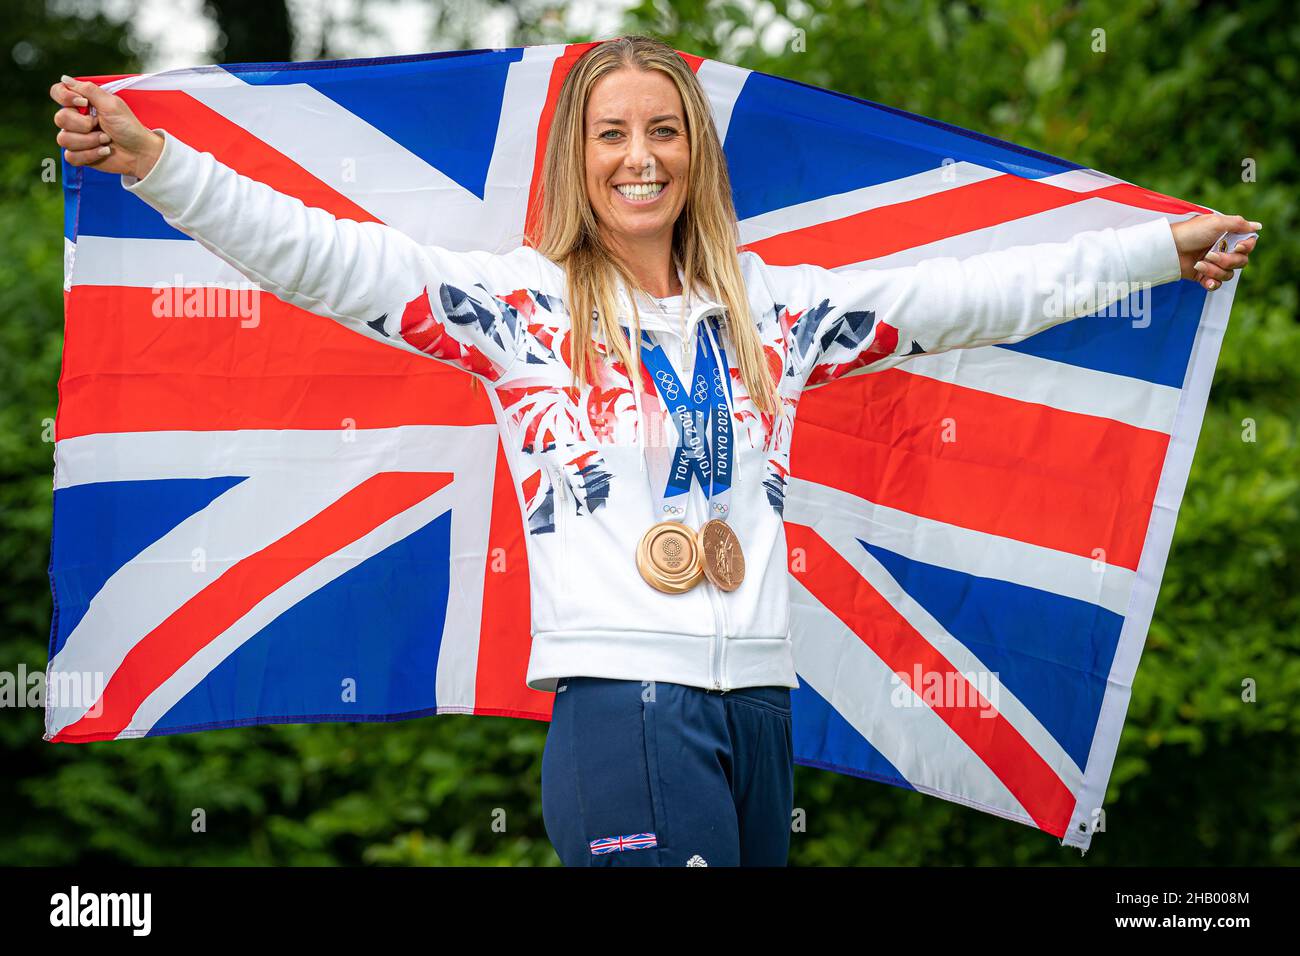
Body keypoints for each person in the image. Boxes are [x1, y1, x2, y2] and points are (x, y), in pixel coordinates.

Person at [50, 34, 1258, 868]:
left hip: (763, 707)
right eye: (614, 133)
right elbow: (316, 254)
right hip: (624, 701)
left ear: (695, 154)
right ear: (579, 156)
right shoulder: (517, 313)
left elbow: (973, 294)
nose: (641, 156)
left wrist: (1160, 248)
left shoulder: (774, 316)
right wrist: (157, 161)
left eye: (665, 132)